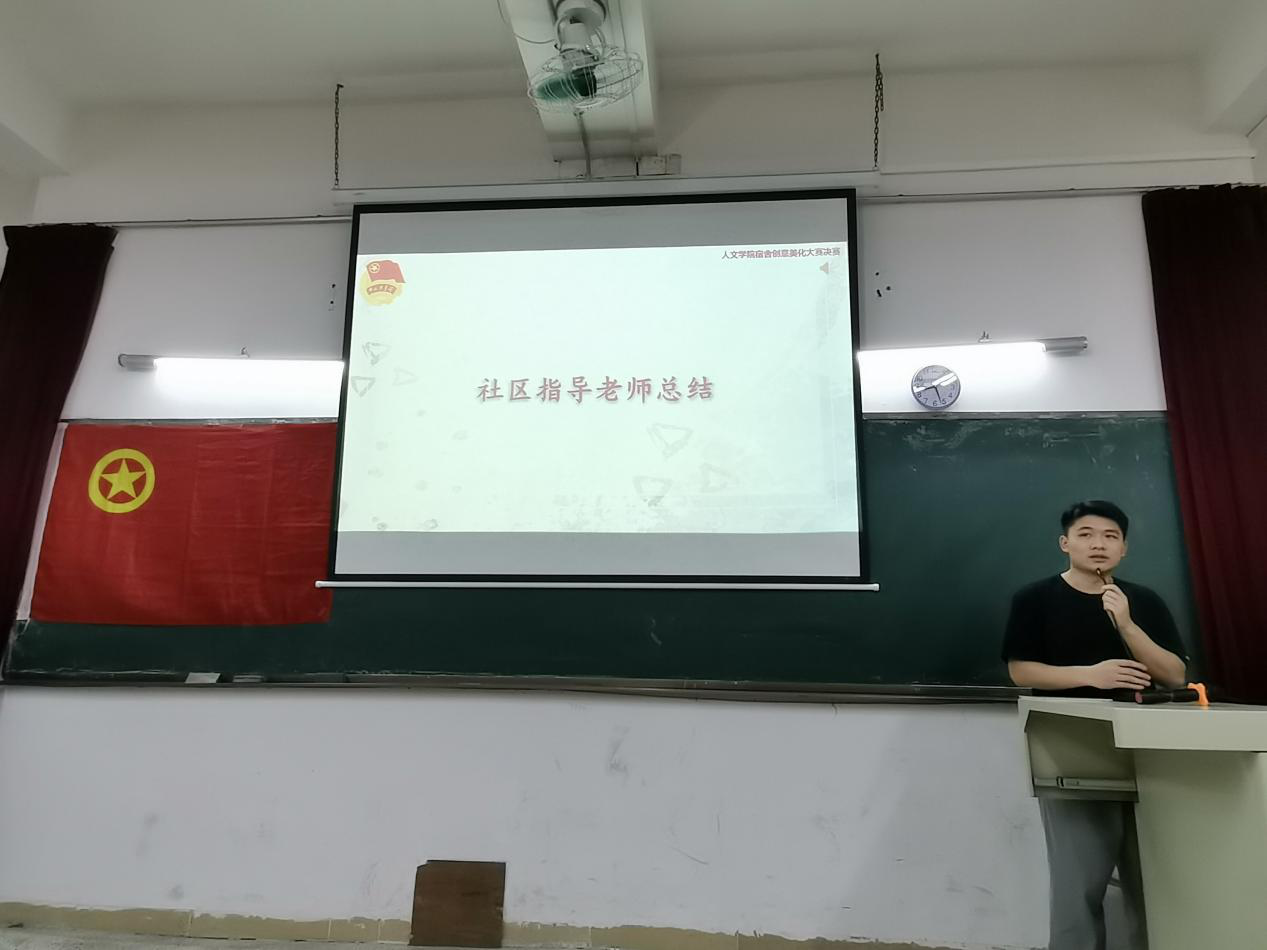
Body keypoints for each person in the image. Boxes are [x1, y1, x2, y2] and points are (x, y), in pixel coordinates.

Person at [1002, 500, 1188, 950]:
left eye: (1110, 536)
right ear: (1065, 543)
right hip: (1072, 746)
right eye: (1085, 534)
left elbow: (1175, 676)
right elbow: (1021, 671)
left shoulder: (1143, 600)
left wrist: (1127, 624)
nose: (1098, 544)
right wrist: (1092, 675)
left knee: (1155, 882)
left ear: (1124, 548)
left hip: (1149, 750)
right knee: (1078, 881)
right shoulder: (1035, 598)